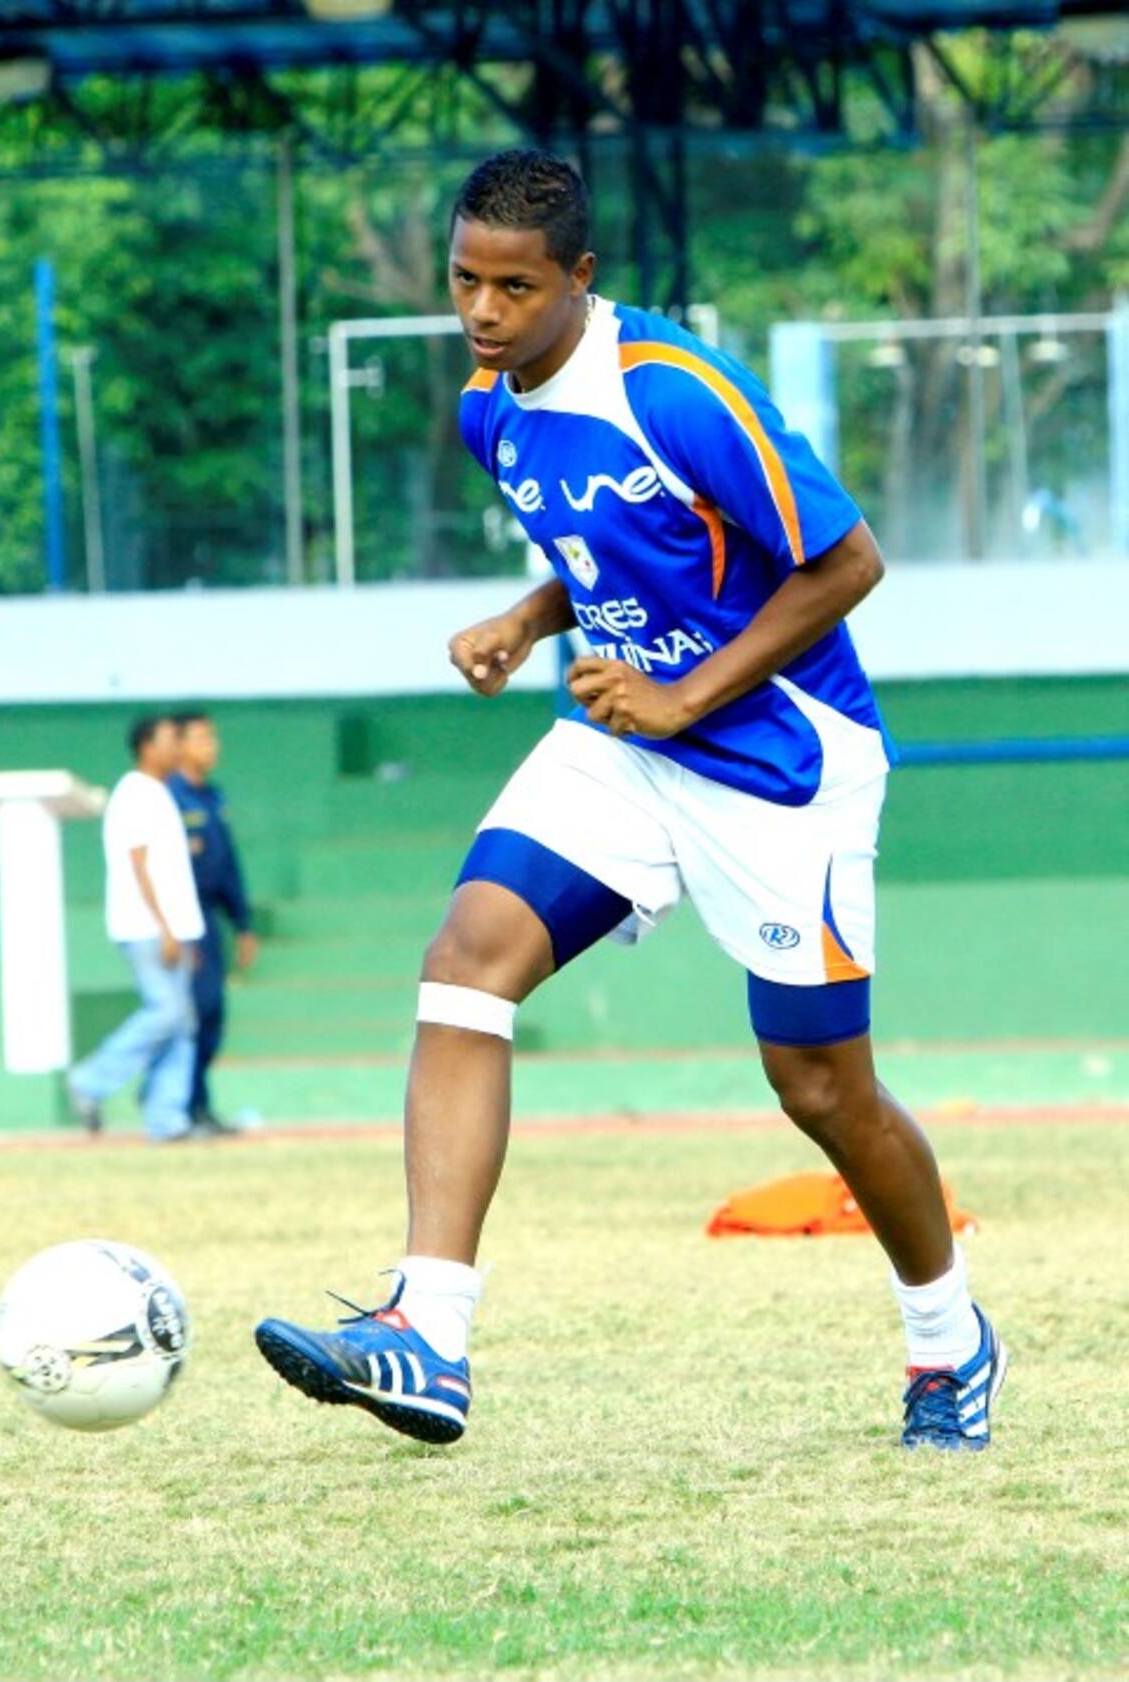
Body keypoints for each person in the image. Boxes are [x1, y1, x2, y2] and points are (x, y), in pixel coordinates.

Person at [255, 149, 1006, 1453]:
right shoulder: (491, 408)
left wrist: (686, 695)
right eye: (464, 280)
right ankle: (429, 1331)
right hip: (620, 741)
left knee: (823, 1088)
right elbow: (615, 551)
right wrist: (529, 612)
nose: (482, 313)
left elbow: (846, 562)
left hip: (784, 758)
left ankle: (950, 1339)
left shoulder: (674, 391)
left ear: (581, 280)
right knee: (464, 965)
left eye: (515, 286)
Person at [67, 715, 204, 1143]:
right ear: (146, 746)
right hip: (146, 925)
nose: (177, 748)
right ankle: (90, 1081)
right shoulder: (135, 794)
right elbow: (139, 865)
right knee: (165, 1011)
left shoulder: (159, 793)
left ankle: (166, 1120)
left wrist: (183, 931)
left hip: (172, 927)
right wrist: (165, 928)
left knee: (182, 1021)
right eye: (169, 740)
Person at [168, 710, 259, 1133]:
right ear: (179, 744)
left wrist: (243, 923)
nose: (212, 746)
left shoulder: (212, 796)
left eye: (213, 738)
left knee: (212, 1014)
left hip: (210, 919)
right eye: (203, 738)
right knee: (194, 1011)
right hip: (183, 918)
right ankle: (180, 1107)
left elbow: (228, 867)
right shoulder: (169, 796)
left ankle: (198, 1106)